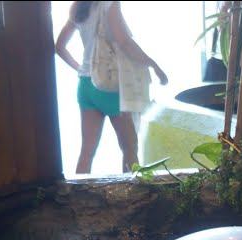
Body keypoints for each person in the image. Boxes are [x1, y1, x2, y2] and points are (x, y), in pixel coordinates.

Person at [55, 1, 167, 174]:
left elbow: (59, 47)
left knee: (87, 152)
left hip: (86, 86)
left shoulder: (78, 5)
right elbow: (124, 42)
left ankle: (77, 190)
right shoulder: (109, 3)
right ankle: (131, 191)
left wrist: (81, 69)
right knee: (129, 148)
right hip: (109, 86)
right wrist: (153, 64)